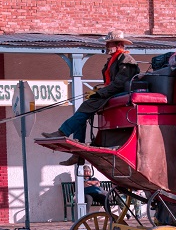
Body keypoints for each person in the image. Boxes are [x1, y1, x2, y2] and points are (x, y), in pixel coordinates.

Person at [41, 30, 140, 165]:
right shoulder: (113, 59)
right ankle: (76, 151)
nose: (106, 47)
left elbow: (119, 84)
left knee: (86, 107)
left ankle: (63, 133)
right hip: (111, 93)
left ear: (117, 44)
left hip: (119, 94)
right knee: (85, 108)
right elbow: (111, 82)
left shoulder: (126, 59)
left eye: (108, 44)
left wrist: (101, 93)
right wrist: (99, 90)